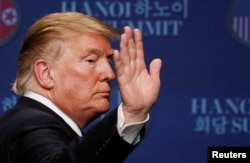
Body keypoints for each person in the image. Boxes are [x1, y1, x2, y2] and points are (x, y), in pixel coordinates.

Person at [0, 12, 162, 162]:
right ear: (46, 73)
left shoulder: (28, 121)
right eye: (91, 61)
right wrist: (131, 114)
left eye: (108, 60)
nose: (109, 74)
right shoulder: (31, 127)